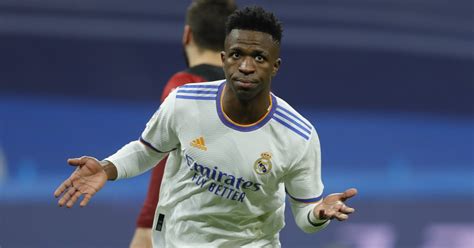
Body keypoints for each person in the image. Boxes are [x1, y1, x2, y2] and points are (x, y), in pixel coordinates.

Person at [54, 6, 357, 247]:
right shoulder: (183, 101)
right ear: (224, 59)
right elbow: (146, 151)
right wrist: (106, 168)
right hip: (175, 241)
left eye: (259, 57)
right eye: (237, 55)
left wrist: (318, 213)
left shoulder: (298, 136)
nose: (246, 66)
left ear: (275, 66)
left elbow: (305, 217)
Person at [130, 1, 237, 247]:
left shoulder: (185, 86)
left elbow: (162, 160)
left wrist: (147, 226)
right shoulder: (257, 95)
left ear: (187, 34)